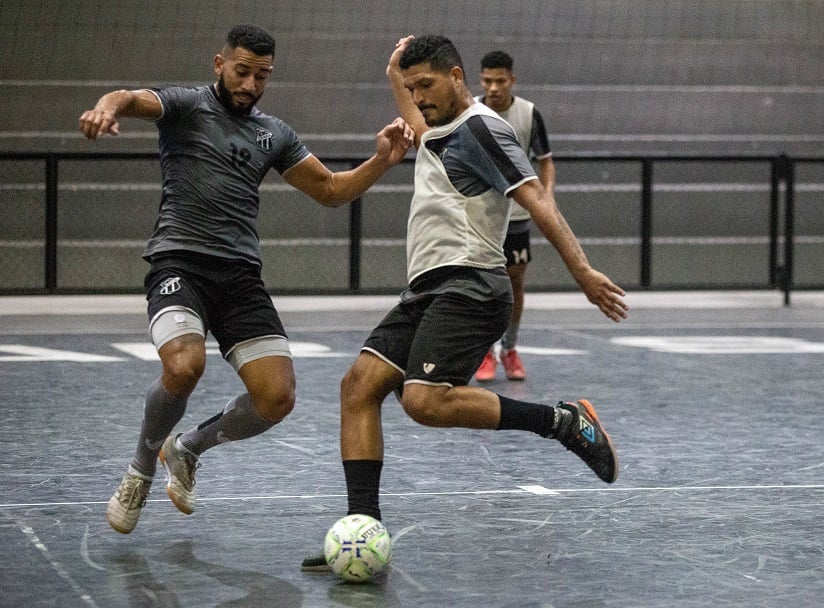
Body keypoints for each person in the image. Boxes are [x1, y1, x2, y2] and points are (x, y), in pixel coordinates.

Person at [301, 34, 627, 570]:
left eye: (426, 85)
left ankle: (564, 422)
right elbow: (412, 101)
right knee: (358, 386)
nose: (417, 98)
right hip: (427, 289)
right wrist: (394, 70)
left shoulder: (482, 129)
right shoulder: (438, 129)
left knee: (423, 401)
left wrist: (583, 272)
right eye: (411, 89)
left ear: (458, 78)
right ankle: (362, 532)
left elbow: (536, 201)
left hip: (472, 284)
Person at [78, 24, 414, 534]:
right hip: (179, 263)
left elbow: (329, 189)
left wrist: (383, 161)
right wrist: (106, 108)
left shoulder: (273, 133)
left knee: (277, 398)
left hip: (239, 277)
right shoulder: (187, 106)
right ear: (219, 64)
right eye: (242, 72)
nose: (251, 85)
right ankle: (141, 466)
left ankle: (187, 447)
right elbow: (127, 97)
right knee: (185, 365)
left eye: (263, 76)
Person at [473, 50, 555, 382]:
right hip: (479, 213)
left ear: (512, 80)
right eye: (487, 81)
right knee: (480, 283)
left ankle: (509, 348)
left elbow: (545, 159)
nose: (493, 87)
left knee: (514, 283)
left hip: (517, 213)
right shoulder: (470, 112)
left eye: (500, 81)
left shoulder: (528, 114)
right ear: (480, 80)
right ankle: (483, 352)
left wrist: (546, 196)